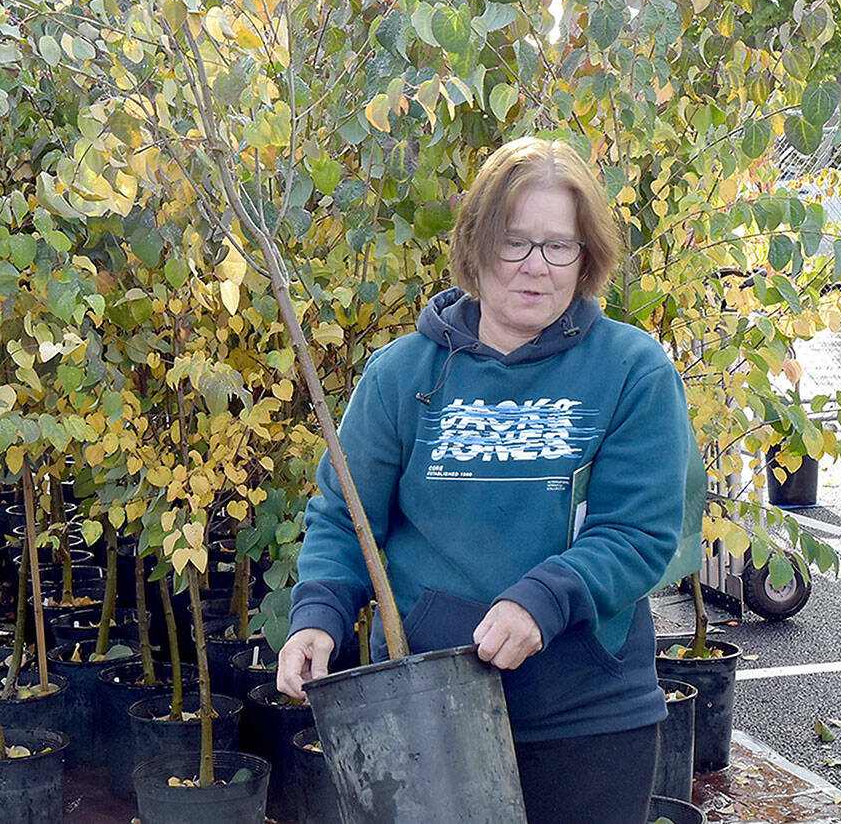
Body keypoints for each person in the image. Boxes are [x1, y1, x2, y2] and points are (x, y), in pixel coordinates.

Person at [276, 136, 692, 823]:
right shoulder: (401, 375)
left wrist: (543, 601)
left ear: (586, 257)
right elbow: (345, 518)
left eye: (560, 245)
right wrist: (317, 619)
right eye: (514, 242)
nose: (536, 267)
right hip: (423, 719)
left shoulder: (632, 369)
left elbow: (638, 534)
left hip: (586, 718)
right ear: (475, 246)